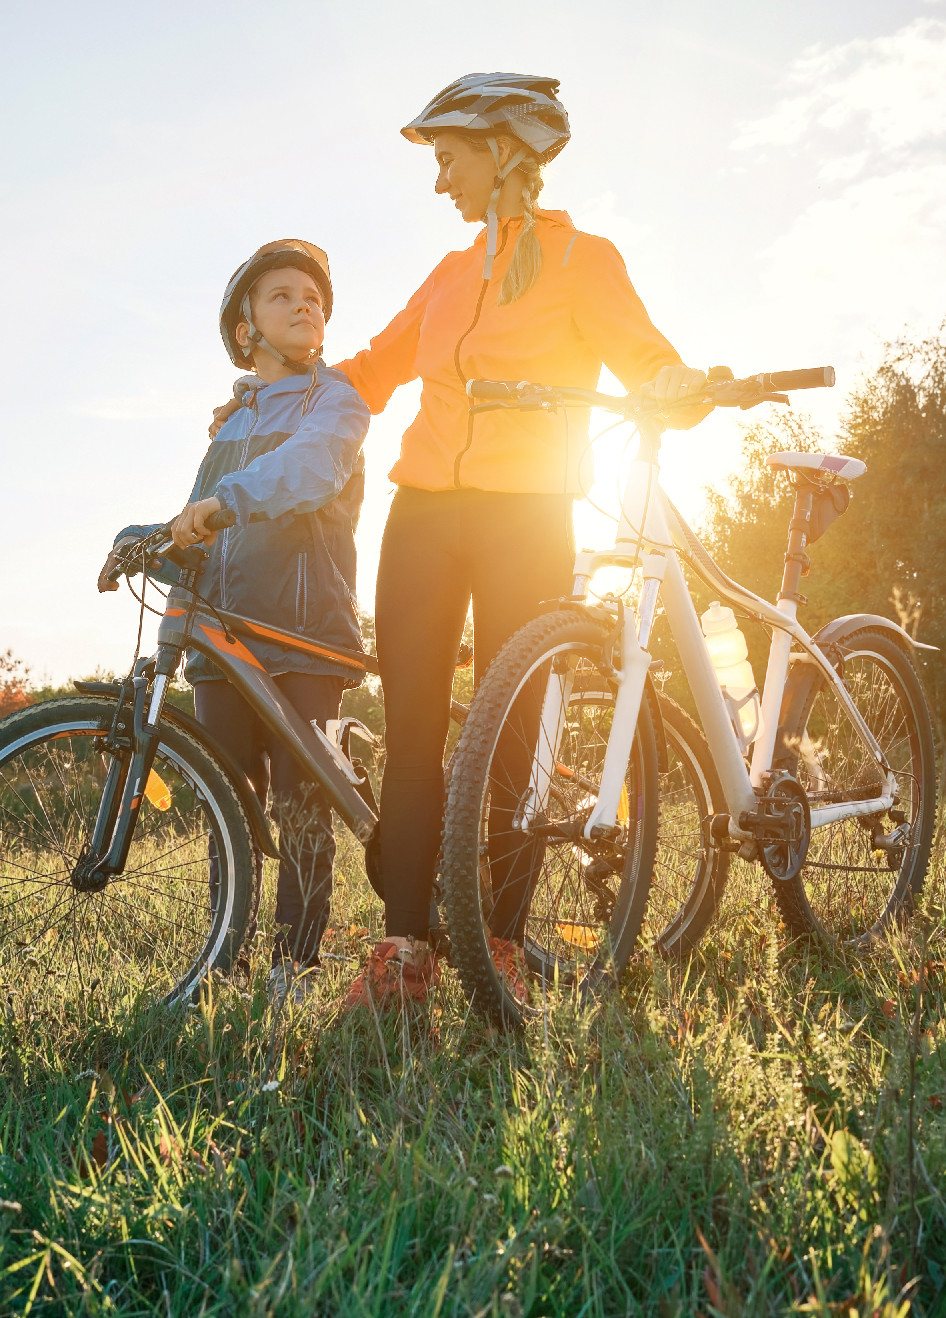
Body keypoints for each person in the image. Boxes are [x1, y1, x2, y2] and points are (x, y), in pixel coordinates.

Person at [318, 74, 710, 1009]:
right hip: (422, 515)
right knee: (412, 729)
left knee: (516, 733)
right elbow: (370, 369)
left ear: (503, 153)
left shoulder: (584, 260)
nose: (439, 180)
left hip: (527, 513)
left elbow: (647, 355)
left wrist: (677, 382)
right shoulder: (452, 275)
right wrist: (279, 398)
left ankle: (498, 939)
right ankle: (404, 952)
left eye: (449, 158)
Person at [170, 239, 370, 1007]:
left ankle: (297, 964)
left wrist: (219, 505)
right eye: (282, 294)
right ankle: (226, 959)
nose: (305, 304)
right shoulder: (229, 423)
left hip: (304, 631)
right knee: (230, 804)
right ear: (244, 324)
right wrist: (155, 551)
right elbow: (195, 529)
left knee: (301, 799)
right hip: (221, 640)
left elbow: (309, 472)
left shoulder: (335, 399)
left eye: (314, 295)